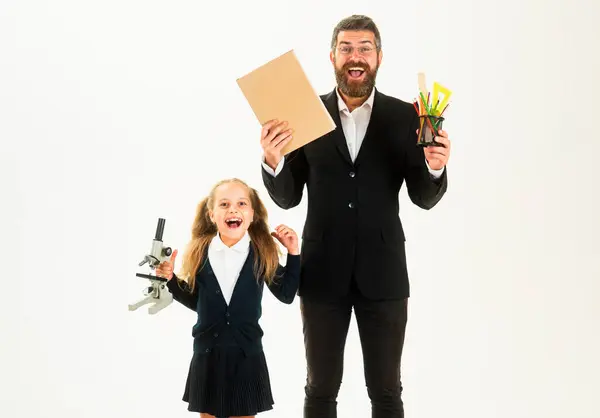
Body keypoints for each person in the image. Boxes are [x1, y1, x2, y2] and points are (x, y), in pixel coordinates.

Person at [259, 15, 451, 418]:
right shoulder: (304, 115)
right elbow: (289, 196)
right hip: (321, 273)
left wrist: (435, 167)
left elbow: (422, 197)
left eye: (364, 47)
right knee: (320, 388)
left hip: (384, 275)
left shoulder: (406, 118)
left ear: (379, 57)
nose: (355, 56)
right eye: (346, 48)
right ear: (332, 56)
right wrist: (273, 160)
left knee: (386, 391)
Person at [155, 178, 301, 418]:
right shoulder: (200, 251)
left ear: (252, 214)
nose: (233, 209)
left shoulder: (263, 252)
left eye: (241, 203)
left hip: (246, 353)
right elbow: (198, 303)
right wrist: (171, 279)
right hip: (207, 353)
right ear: (212, 215)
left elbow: (286, 294)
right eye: (224, 204)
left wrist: (293, 252)